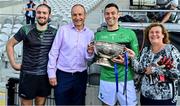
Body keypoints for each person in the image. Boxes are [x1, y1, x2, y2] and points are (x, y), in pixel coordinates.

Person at [6, 4, 57, 106]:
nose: (41, 15)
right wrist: (13, 64)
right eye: (39, 12)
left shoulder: (54, 32)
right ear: (35, 14)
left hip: (44, 76)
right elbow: (9, 44)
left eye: (44, 13)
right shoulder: (25, 29)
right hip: (27, 75)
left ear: (49, 15)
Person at [47, 4, 94, 105]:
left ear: (85, 15)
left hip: (80, 76)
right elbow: (54, 52)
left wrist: (90, 53)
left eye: (80, 14)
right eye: (74, 15)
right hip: (63, 76)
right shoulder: (63, 30)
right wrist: (51, 74)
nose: (77, 18)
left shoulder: (90, 34)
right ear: (71, 16)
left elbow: (89, 58)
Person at [95, 3, 139, 106]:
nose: (110, 16)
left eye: (113, 13)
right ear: (104, 16)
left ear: (118, 14)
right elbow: (96, 57)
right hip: (106, 79)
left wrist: (127, 61)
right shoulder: (98, 35)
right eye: (107, 14)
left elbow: (137, 57)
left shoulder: (130, 33)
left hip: (126, 79)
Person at [126, 23, 180, 105]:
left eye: (157, 32)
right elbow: (140, 69)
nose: (154, 34)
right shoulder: (146, 50)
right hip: (145, 96)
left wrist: (155, 70)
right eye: (151, 32)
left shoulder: (171, 50)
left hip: (165, 98)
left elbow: (176, 74)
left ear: (163, 35)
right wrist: (132, 57)